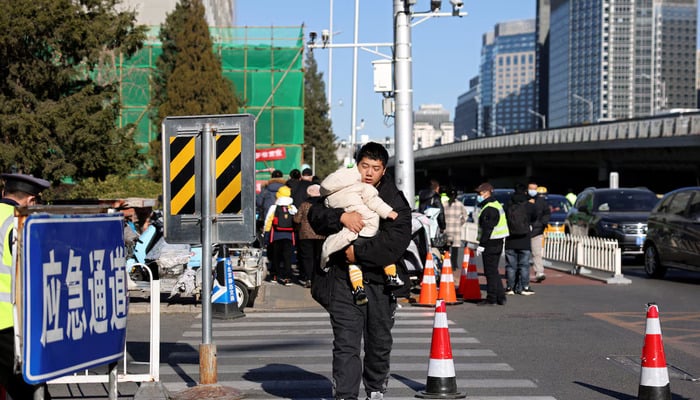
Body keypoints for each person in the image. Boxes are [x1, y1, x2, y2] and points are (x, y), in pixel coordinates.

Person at [308, 142, 411, 400]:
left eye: (375, 168)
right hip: (342, 280)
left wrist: (358, 253)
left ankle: (375, 390)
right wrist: (341, 217)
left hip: (379, 283)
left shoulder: (393, 199)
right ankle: (345, 395)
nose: (369, 172)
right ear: (357, 164)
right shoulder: (342, 186)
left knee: (378, 342)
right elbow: (316, 215)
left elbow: (396, 241)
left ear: (383, 170)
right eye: (365, 166)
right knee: (346, 344)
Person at [318, 164, 401, 305]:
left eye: (375, 169)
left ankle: (358, 289)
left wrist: (342, 216)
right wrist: (388, 212)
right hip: (369, 227)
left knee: (353, 263)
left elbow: (325, 213)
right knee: (383, 253)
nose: (368, 173)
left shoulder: (329, 197)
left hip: (350, 233)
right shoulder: (361, 187)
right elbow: (374, 201)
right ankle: (392, 276)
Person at [1, 173, 52, 399]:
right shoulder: (21, 224)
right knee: (29, 392)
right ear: (31, 201)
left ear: (4, 193)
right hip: (9, 322)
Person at [474, 182, 509, 306]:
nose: (478, 195)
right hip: (497, 241)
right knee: (493, 270)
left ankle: (491, 298)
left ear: (487, 193)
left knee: (490, 272)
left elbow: (488, 228)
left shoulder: (490, 207)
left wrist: (482, 245)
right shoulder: (495, 205)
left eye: (480, 193)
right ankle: (500, 297)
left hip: (491, 242)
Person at [504, 183, 535, 295]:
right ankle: (525, 287)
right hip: (525, 239)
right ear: (525, 192)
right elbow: (535, 217)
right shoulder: (529, 206)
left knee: (511, 266)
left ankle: (509, 288)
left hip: (510, 239)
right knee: (524, 265)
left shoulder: (508, 205)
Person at [262, 185, 297, 285]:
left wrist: (265, 233)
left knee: (275, 257)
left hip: (276, 236)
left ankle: (274, 275)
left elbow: (268, 221)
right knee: (287, 258)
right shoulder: (292, 208)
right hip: (289, 236)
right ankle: (288, 278)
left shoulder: (274, 207)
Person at [293, 184, 325, 288]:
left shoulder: (304, 204)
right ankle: (318, 279)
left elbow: (297, 219)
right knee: (319, 257)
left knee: (307, 257)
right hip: (320, 234)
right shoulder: (324, 204)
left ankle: (309, 278)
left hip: (305, 235)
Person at [528, 181, 551, 283]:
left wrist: (542, 224)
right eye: (530, 188)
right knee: (522, 254)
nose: (532, 191)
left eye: (534, 189)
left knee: (536, 252)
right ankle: (519, 273)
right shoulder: (523, 200)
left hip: (537, 231)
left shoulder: (541, 201)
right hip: (523, 231)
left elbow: (547, 213)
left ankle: (539, 272)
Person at [443, 189, 468, 271]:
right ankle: (454, 264)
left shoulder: (445, 204)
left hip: (447, 228)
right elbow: (465, 216)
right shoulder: (459, 204)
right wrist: (459, 223)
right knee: (455, 248)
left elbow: (441, 216)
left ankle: (446, 262)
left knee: (446, 247)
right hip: (456, 229)